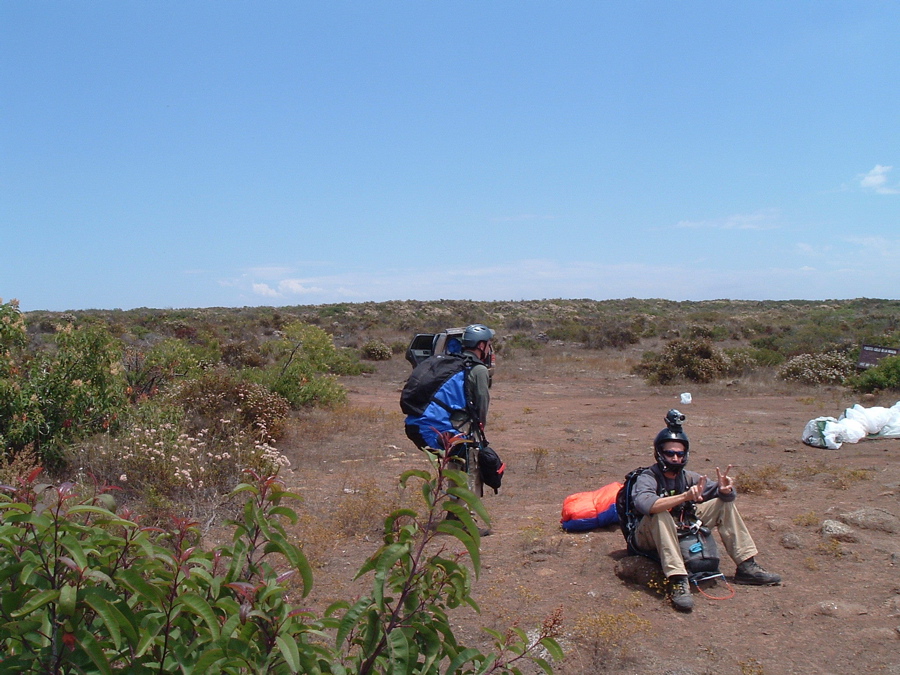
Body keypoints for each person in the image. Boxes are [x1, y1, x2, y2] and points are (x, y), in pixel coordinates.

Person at [631, 411, 781, 612]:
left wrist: (725, 491)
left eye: (680, 453)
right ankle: (677, 579)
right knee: (660, 513)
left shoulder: (689, 477)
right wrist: (684, 497)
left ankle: (746, 565)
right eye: (670, 453)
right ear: (659, 453)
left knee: (723, 504)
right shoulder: (648, 477)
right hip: (647, 535)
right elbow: (646, 504)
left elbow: (720, 494)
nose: (675, 458)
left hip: (679, 526)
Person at [404, 323, 495, 500]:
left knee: (455, 470)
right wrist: (481, 426)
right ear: (481, 345)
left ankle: (453, 515)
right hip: (463, 429)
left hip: (445, 428)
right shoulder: (478, 369)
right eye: (489, 344)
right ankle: (465, 521)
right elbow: (482, 401)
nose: (490, 348)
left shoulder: (455, 363)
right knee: (469, 472)